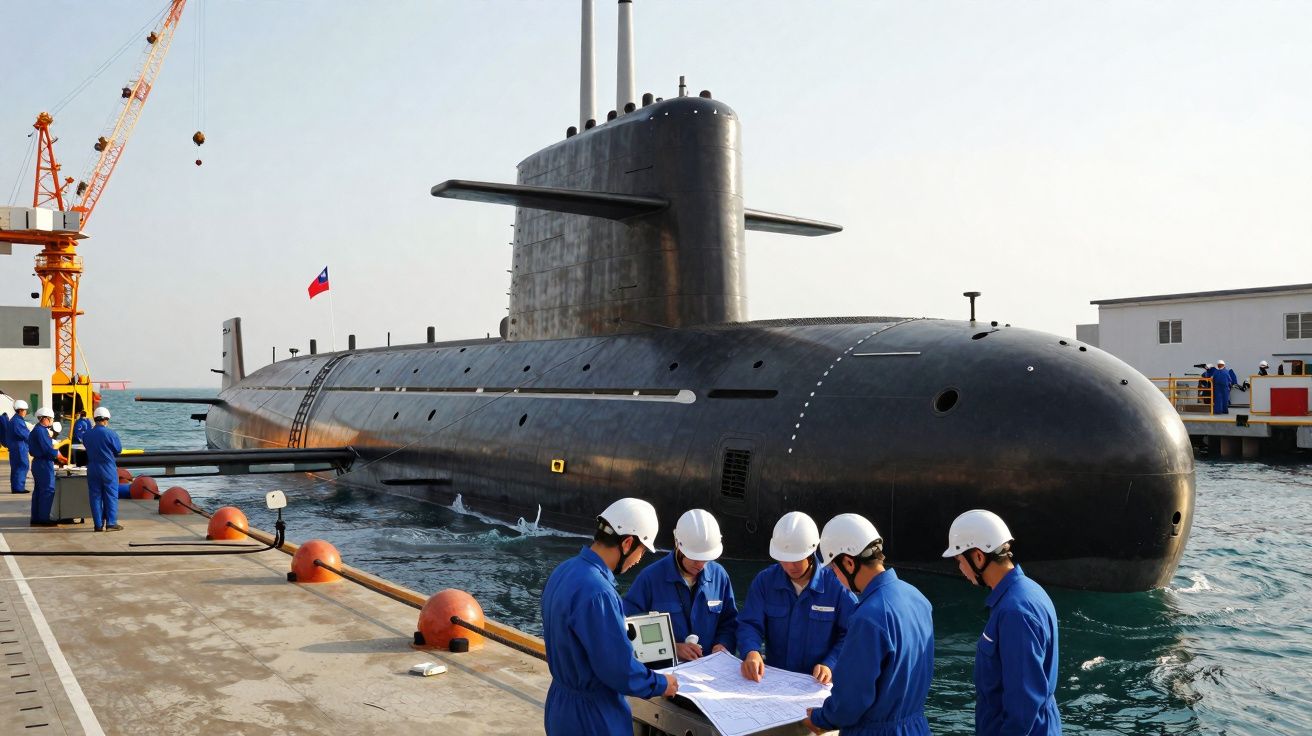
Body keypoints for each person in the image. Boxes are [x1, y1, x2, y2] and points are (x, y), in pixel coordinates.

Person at [541, 498, 677, 735]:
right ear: (627, 543)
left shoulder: (563, 571)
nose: (638, 560)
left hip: (559, 704)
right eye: (642, 551)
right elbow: (619, 670)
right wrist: (661, 683)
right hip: (594, 716)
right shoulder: (599, 592)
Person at [803, 514, 934, 736]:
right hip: (916, 727)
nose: (835, 577)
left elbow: (851, 699)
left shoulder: (867, 617)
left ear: (849, 563)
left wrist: (820, 718)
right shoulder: (918, 598)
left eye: (834, 569)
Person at [943, 510, 1061, 736]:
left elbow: (1023, 703)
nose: (960, 568)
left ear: (978, 556)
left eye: (959, 560)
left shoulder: (1014, 612)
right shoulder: (1028, 592)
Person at [737, 511, 857, 685]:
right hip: (774, 681)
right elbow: (749, 623)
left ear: (811, 553)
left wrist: (830, 664)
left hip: (816, 685)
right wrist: (751, 651)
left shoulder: (837, 586)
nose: (789, 566)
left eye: (795, 560)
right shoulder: (765, 582)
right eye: (783, 559)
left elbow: (852, 633)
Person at [623, 509, 737, 661]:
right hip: (665, 673)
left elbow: (729, 622)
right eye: (695, 558)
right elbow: (629, 628)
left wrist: (722, 644)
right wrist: (673, 648)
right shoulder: (650, 579)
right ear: (678, 546)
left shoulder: (720, 576)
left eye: (706, 558)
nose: (701, 565)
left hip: (707, 673)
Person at [83, 407, 123, 531]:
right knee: (110, 494)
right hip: (107, 467)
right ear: (105, 420)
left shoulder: (87, 434)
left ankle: (98, 525)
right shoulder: (110, 433)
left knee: (95, 496)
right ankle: (111, 523)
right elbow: (118, 450)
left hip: (92, 467)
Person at [28, 408, 66, 526]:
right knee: (47, 491)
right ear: (44, 418)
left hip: (38, 463)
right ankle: (44, 518)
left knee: (39, 491)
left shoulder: (37, 430)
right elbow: (47, 449)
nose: (51, 421)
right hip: (43, 463)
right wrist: (60, 457)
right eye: (50, 419)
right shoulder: (41, 431)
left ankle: (36, 517)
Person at [7, 400, 32, 494]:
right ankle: (19, 488)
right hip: (19, 447)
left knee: (16, 467)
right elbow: (25, 434)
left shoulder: (14, 420)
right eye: (25, 410)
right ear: (20, 410)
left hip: (15, 447)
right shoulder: (17, 421)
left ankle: (16, 487)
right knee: (22, 465)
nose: (26, 412)